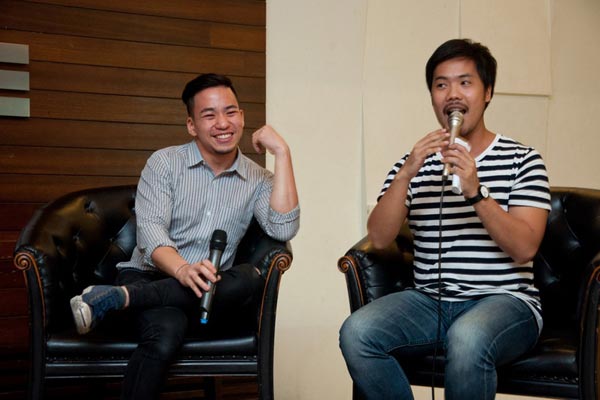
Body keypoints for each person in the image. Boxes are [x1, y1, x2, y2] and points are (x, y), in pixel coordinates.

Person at [339, 39, 551, 400]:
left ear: (488, 92)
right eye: (441, 85)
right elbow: (379, 235)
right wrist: (407, 173)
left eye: (465, 83)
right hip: (430, 301)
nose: (452, 94)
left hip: (505, 302)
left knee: (467, 338)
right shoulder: (414, 164)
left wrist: (476, 192)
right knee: (357, 333)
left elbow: (524, 247)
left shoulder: (523, 159)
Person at [69, 73, 300, 399]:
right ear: (192, 125)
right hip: (150, 276)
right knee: (166, 331)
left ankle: (120, 298)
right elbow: (150, 233)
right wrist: (182, 269)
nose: (223, 123)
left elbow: (283, 228)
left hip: (210, 291)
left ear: (242, 116)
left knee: (249, 277)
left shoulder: (259, 178)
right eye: (209, 115)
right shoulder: (164, 163)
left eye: (230, 112)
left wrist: (283, 153)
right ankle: (130, 295)